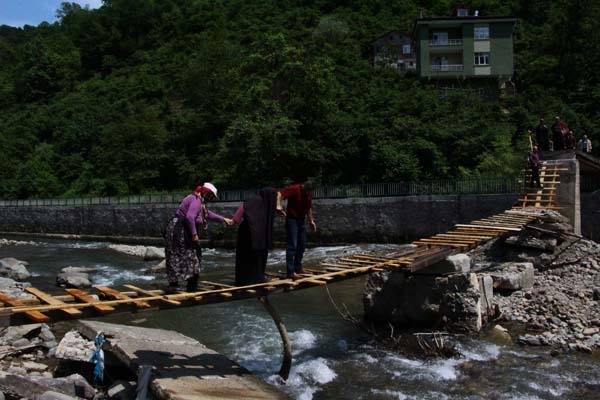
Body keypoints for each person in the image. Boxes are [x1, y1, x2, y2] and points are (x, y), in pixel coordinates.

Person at [164, 183, 232, 293]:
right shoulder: (196, 200)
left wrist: (223, 219)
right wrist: (194, 234)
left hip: (180, 229)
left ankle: (180, 284)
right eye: (211, 196)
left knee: (183, 255)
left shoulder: (199, 202)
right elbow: (190, 217)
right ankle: (185, 285)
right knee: (187, 255)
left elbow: (207, 214)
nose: (211, 199)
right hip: (180, 231)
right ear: (206, 193)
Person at [231, 188, 279, 285]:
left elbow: (239, 213)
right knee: (259, 256)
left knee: (244, 257)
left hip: (245, 232)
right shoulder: (266, 203)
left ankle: (243, 280)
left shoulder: (252, 201)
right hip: (256, 235)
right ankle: (257, 278)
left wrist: (233, 221)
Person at [276, 181, 316, 279]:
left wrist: (311, 221)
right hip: (292, 220)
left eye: (309, 192)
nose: (308, 194)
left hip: (301, 220)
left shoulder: (308, 193)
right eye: (307, 192)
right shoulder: (295, 189)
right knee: (292, 245)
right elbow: (279, 194)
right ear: (304, 188)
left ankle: (297, 267)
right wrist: (278, 205)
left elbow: (308, 207)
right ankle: (290, 272)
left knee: (302, 244)